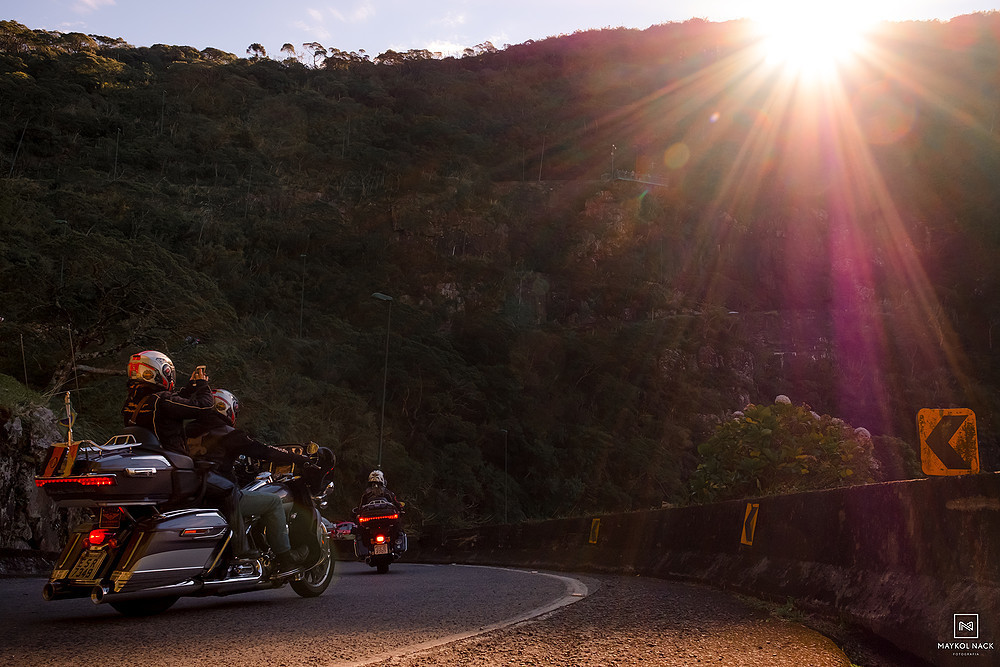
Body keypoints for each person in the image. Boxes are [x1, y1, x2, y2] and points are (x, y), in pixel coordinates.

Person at [185, 388, 325, 575]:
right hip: (222, 495)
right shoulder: (229, 434)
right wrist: (299, 459)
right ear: (227, 409)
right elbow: (265, 451)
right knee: (273, 502)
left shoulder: (187, 431)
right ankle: (285, 558)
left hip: (194, 492)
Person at [121, 350, 215, 455]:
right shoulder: (163, 400)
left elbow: (174, 406)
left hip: (145, 454)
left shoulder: (133, 398)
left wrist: (189, 389)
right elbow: (204, 407)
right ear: (163, 371)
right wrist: (203, 386)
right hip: (170, 457)